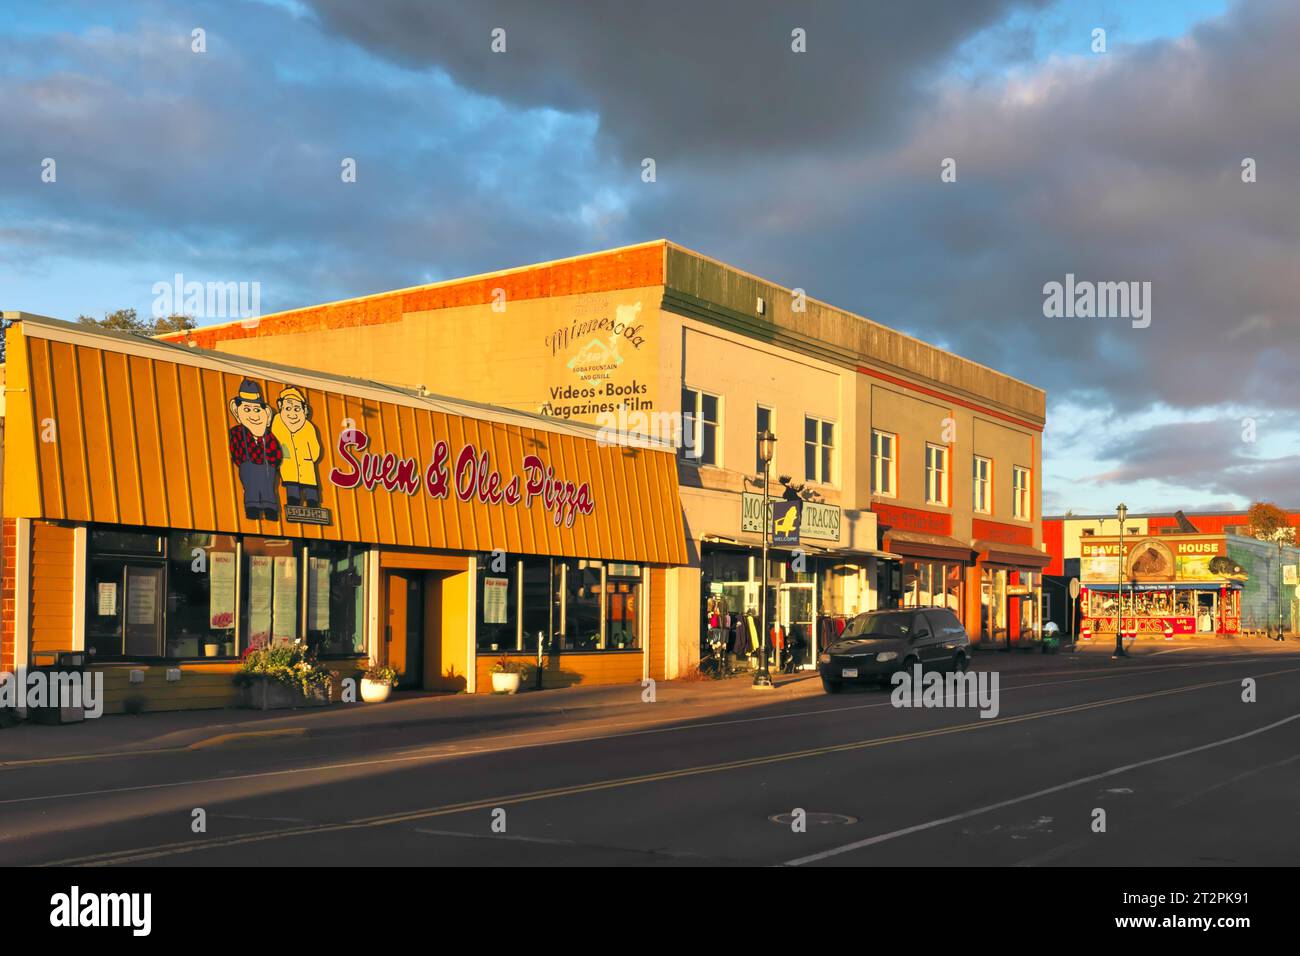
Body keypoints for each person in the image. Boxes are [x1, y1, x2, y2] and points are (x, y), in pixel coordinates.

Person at [228, 379, 283, 521]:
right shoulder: (238, 432)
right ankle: (251, 509)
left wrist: (272, 464)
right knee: (251, 490)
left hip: (267, 467)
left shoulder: (268, 435)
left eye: (257, 410)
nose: (253, 415)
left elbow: (277, 452)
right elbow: (235, 450)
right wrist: (243, 461)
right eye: (247, 409)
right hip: (248, 466)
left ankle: (270, 509)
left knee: (268, 491)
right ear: (237, 411)